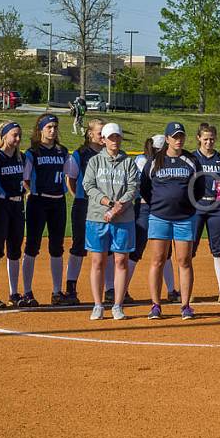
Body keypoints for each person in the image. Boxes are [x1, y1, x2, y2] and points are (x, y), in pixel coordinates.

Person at [140, 121, 203, 320]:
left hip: (185, 217)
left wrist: (189, 205)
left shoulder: (191, 160)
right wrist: (158, 204)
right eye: (174, 136)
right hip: (159, 216)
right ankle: (156, 305)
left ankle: (185, 305)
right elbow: (145, 188)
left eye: (181, 136)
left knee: (184, 260)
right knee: (158, 260)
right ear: (167, 139)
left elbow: (200, 186)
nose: (178, 140)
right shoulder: (155, 161)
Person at [83, 123, 140, 321]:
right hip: (97, 217)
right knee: (98, 261)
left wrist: (118, 207)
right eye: (111, 137)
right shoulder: (95, 161)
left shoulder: (129, 162)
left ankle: (117, 305)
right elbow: (88, 185)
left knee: (121, 260)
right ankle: (98, 304)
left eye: (117, 137)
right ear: (104, 139)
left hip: (123, 217)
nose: (114, 141)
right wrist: (108, 203)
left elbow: (133, 187)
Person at [20, 113, 70, 307]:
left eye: (55, 127)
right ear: (40, 129)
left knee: (57, 248)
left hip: (58, 202)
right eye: (48, 127)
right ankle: (27, 291)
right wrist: (31, 191)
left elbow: (68, 175)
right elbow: (25, 178)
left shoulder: (62, 151)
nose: (52, 130)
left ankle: (57, 291)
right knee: (32, 246)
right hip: (38, 202)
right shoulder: (33, 152)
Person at [129, 135, 179, 302]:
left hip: (152, 208)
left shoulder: (147, 160)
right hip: (147, 208)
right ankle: (118, 291)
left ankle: (172, 291)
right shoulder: (146, 161)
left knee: (163, 252)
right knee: (138, 250)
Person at [63, 118, 105, 305]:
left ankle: (111, 289)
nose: (103, 136)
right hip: (83, 204)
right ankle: (71, 288)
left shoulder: (108, 152)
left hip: (104, 206)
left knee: (107, 247)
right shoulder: (80, 154)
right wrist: (78, 196)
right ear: (90, 133)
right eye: (99, 132)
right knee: (79, 246)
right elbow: (70, 179)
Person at [191, 123, 220, 302]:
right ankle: (187, 289)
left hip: (216, 208)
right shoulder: (191, 158)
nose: (209, 142)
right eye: (205, 139)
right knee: (188, 250)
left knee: (218, 249)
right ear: (199, 138)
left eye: (212, 139)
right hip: (196, 207)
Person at [0, 121, 26, 308]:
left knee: (15, 250)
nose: (18, 139)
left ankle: (14, 292)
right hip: (1, 207)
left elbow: (27, 179)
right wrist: (4, 194)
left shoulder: (22, 157)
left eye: (19, 135)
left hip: (18, 207)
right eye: (14, 135)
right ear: (4, 136)